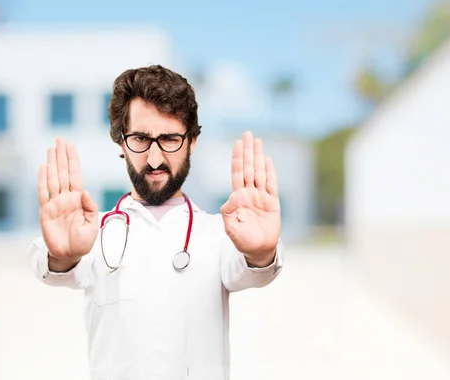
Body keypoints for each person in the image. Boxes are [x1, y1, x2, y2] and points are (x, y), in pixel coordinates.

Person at [27, 64, 284, 380]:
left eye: (170, 138)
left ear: (191, 142)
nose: (154, 158)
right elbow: (51, 268)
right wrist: (63, 256)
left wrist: (260, 252)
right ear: (121, 143)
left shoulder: (221, 234)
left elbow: (255, 270)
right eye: (140, 138)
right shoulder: (93, 231)